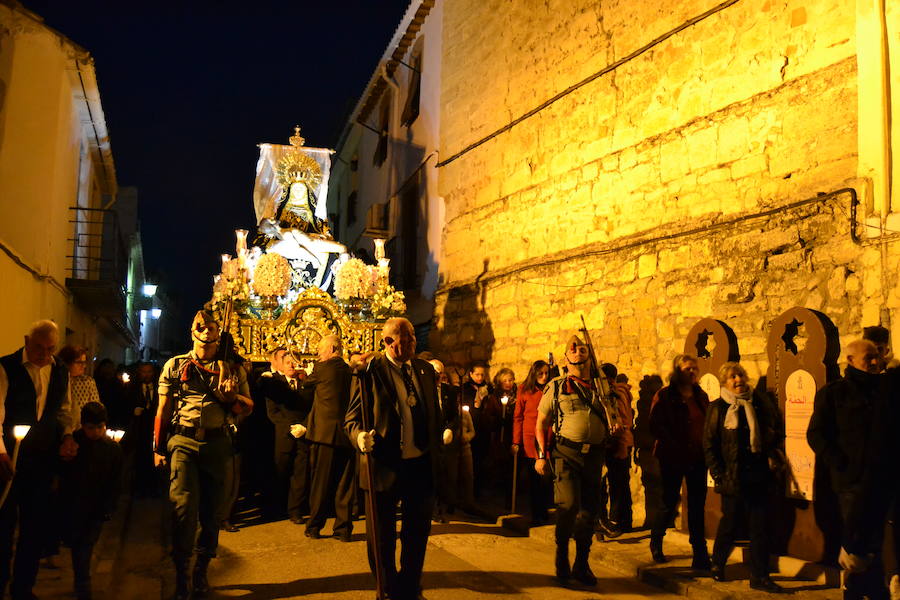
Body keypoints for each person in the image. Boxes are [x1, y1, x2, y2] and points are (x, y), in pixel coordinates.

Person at [153, 310, 253, 600]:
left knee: (212, 513)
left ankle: (201, 570)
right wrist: (158, 448)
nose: (206, 332)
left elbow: (248, 407)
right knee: (183, 510)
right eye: (200, 326)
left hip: (217, 443)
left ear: (217, 333)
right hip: (183, 442)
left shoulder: (233, 369)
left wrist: (232, 397)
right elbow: (163, 409)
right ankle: (181, 573)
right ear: (192, 331)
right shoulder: (175, 366)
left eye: (211, 327)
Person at [345, 317, 444, 600]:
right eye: (405, 337)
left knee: (417, 534)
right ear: (388, 341)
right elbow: (350, 419)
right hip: (384, 464)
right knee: (381, 537)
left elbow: (432, 412)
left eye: (413, 336)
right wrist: (359, 437)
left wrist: (440, 437)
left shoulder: (424, 369)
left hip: (420, 464)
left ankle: (410, 587)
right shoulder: (370, 371)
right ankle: (387, 589)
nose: (412, 342)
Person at [0, 319, 77, 599]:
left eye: (50, 349)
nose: (44, 355)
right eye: (39, 348)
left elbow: (64, 410)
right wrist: (1, 451)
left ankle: (23, 588)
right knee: (3, 528)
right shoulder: (6, 367)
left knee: (34, 528)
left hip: (41, 460)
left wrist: (68, 436)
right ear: (26, 341)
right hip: (8, 459)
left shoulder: (60, 372)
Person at [808, 339, 889, 600]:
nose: (875, 362)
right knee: (856, 542)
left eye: (877, 356)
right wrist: (841, 462)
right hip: (850, 482)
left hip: (882, 479)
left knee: (877, 542)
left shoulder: (884, 392)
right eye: (869, 357)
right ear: (851, 361)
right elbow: (817, 434)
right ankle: (857, 592)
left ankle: (873, 590)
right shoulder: (834, 394)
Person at [535, 334, 615, 587]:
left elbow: (614, 414)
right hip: (566, 452)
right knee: (568, 506)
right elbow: (541, 423)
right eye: (573, 351)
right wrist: (540, 455)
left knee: (589, 511)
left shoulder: (602, 387)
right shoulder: (557, 386)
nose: (578, 354)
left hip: (594, 455)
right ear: (565, 358)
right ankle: (562, 554)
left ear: (589, 355)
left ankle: (582, 562)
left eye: (582, 350)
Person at [704, 362, 784, 593]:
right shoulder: (718, 408)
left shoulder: (758, 403)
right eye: (732, 377)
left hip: (758, 475)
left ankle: (760, 576)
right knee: (730, 524)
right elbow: (710, 443)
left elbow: (772, 429)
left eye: (740, 375)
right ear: (725, 382)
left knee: (759, 527)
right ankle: (718, 563)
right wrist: (718, 473)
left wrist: (771, 452)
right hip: (732, 476)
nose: (738, 380)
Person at [648, 354, 710, 568]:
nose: (692, 372)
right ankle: (656, 540)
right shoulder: (665, 396)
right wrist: (675, 444)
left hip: (697, 457)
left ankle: (699, 553)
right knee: (668, 502)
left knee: (696, 506)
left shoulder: (701, 396)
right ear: (677, 371)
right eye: (687, 369)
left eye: (694, 368)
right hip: (672, 457)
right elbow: (656, 425)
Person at [60, 402, 122, 600]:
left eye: (100, 427)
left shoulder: (112, 448)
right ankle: (82, 584)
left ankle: (83, 586)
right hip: (74, 504)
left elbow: (115, 480)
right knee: (79, 545)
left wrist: (110, 506)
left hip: (97, 506)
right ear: (83, 426)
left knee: (85, 545)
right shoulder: (73, 443)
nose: (95, 432)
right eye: (90, 428)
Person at [299, 335, 355, 541]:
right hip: (347, 435)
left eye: (321, 349)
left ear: (331, 349)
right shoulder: (349, 371)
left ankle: (314, 526)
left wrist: (309, 371)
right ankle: (343, 529)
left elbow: (306, 384)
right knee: (345, 485)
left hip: (324, 436)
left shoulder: (323, 368)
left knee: (320, 484)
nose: (318, 354)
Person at [258, 347, 312, 525]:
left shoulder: (307, 383)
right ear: (281, 364)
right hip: (283, 436)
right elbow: (272, 412)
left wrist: (304, 426)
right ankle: (276, 508)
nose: (291, 366)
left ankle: (295, 510)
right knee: (280, 472)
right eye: (287, 362)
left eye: (294, 363)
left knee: (300, 474)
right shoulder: (274, 383)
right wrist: (289, 427)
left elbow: (313, 408)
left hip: (303, 435)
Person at [512, 360, 552, 526]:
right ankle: (536, 514)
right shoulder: (524, 390)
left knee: (547, 478)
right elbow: (518, 416)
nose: (543, 377)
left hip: (548, 436)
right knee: (534, 478)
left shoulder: (551, 389)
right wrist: (516, 441)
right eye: (540, 373)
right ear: (534, 373)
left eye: (546, 373)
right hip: (530, 438)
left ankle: (545, 510)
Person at [599, 367, 634, 536]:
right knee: (621, 483)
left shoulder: (616, 394)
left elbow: (620, 420)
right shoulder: (622, 392)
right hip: (622, 442)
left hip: (618, 443)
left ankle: (616, 521)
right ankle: (625, 521)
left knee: (617, 484)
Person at [461, 361, 498, 499]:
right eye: (477, 374)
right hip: (471, 427)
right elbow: (472, 406)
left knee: (483, 460)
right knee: (472, 462)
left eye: (482, 374)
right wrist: (479, 398)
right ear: (471, 374)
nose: (480, 377)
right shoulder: (466, 389)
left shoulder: (489, 388)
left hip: (484, 429)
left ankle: (481, 489)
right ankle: (470, 493)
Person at [125, 361, 159, 497]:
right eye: (143, 372)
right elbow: (124, 405)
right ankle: (139, 488)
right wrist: (133, 411)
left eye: (149, 371)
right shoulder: (132, 389)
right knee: (139, 459)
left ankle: (152, 487)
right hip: (138, 430)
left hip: (153, 428)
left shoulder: (158, 388)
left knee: (152, 458)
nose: (146, 375)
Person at [57, 346, 99, 431]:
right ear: (66, 363)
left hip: (82, 429)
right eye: (79, 362)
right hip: (59, 427)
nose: (84, 366)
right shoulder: (58, 381)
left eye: (84, 362)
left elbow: (95, 407)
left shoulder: (87, 382)